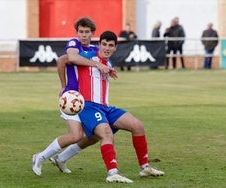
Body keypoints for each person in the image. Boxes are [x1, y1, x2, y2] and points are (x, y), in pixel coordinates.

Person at [51, 31, 164, 183]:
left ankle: (144, 167)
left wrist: (107, 69)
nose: (107, 48)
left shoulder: (109, 63)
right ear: (99, 45)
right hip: (89, 106)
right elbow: (64, 59)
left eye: (111, 45)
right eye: (104, 44)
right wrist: (64, 86)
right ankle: (112, 173)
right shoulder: (88, 56)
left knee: (137, 125)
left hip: (105, 107)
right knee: (106, 134)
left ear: (115, 48)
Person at [32, 17, 114, 176]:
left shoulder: (93, 49)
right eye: (80, 32)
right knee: (76, 135)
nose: (83, 35)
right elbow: (65, 59)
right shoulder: (73, 44)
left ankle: (61, 158)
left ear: (92, 33)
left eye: (87, 32)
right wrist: (63, 85)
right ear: (77, 33)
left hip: (87, 100)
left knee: (94, 136)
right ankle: (39, 157)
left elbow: (103, 63)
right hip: (72, 98)